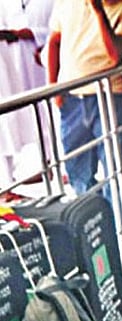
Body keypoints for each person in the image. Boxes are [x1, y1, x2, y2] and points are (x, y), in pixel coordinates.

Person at [46, 0, 122, 196]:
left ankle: (118, 222)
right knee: (77, 170)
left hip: (109, 96)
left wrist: (99, 12)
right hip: (71, 99)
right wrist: (53, 87)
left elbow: (115, 56)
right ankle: (95, 220)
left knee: (115, 168)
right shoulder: (66, 4)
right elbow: (54, 42)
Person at [0, 0, 50, 188]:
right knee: (14, 117)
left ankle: (50, 163)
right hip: (11, 62)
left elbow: (57, 28)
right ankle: (10, 177)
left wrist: (27, 34)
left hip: (42, 57)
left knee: (46, 110)